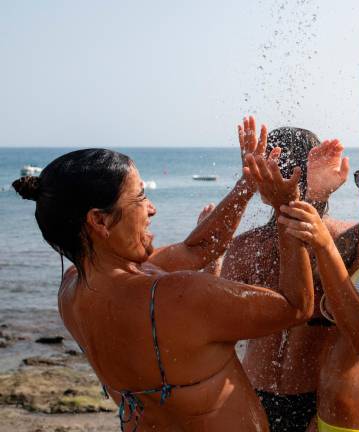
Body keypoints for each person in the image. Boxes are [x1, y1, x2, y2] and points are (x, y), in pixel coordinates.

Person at [12, 117, 315, 432]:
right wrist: (286, 209)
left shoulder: (71, 291)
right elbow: (295, 306)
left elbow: (197, 249)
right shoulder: (179, 295)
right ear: (99, 221)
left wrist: (246, 186)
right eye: (141, 196)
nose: (152, 208)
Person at [218, 127, 352, 432]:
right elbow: (220, 332)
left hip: (318, 401)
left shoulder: (343, 242)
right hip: (254, 393)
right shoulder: (246, 247)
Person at [276, 169, 359, 432]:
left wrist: (325, 243)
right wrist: (317, 194)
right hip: (330, 406)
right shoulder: (358, 237)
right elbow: (309, 285)